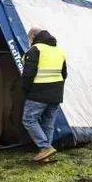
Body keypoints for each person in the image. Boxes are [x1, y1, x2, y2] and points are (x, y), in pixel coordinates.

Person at [21, 26, 67, 162]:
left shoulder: (35, 50)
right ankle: (44, 153)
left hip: (38, 93)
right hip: (56, 93)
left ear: (32, 37)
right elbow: (64, 74)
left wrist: (25, 90)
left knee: (28, 120)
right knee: (48, 124)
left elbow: (28, 74)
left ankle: (45, 147)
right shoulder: (59, 50)